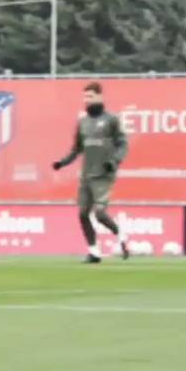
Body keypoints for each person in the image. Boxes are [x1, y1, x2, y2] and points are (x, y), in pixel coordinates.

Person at [52, 82, 129, 263]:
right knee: (82, 214)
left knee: (100, 214)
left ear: (100, 97)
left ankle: (120, 234)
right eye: (85, 97)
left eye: (91, 96)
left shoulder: (111, 120)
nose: (87, 100)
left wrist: (114, 161)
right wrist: (62, 162)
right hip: (86, 174)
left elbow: (123, 143)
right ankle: (94, 252)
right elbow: (76, 149)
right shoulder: (83, 122)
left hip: (104, 174)